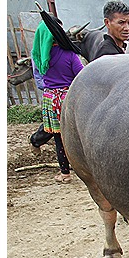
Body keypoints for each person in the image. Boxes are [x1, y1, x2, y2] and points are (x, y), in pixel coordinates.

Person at [31, 17, 84, 183]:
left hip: (50, 98)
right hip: (69, 98)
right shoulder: (69, 55)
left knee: (59, 138)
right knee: (78, 135)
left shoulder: (41, 57)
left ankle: (65, 173)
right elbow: (81, 76)